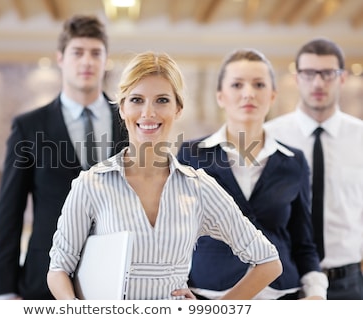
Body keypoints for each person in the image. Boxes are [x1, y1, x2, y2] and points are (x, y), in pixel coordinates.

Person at [47, 51, 282, 300]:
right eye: (137, 100)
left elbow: (268, 262)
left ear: (178, 109)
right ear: (123, 108)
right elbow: (59, 268)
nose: (148, 113)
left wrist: (215, 311)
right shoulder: (91, 184)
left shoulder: (198, 187)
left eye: (161, 100)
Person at [0, 14, 128, 300]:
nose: (87, 61)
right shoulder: (29, 127)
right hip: (44, 277)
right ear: (60, 58)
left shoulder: (129, 120)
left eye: (95, 53)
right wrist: (4, 290)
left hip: (118, 277)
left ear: (106, 59)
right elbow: (9, 212)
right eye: (77, 52)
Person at [176, 48, 328, 300]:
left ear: (272, 96)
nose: (248, 93)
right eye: (237, 85)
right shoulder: (192, 154)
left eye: (259, 84)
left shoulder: (293, 161)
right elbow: (177, 232)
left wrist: (316, 293)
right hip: (209, 296)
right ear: (221, 96)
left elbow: (304, 243)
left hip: (281, 296)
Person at [264, 37, 363, 300]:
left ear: (342, 78)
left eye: (328, 73)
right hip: (286, 280)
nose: (318, 83)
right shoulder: (269, 138)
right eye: (309, 73)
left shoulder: (361, 138)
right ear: (297, 78)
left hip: (347, 283)